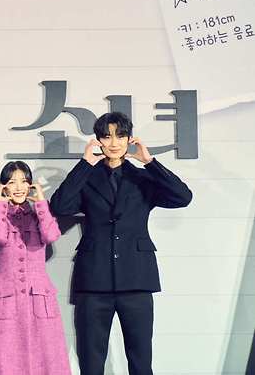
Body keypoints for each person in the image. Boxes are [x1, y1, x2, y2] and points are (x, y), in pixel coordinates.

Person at [49, 112, 193, 375]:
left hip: (137, 278)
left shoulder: (144, 177)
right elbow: (59, 206)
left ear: (129, 139)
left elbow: (182, 197)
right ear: (98, 141)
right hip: (94, 280)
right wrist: (84, 164)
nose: (114, 142)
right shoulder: (87, 177)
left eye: (120, 135)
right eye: (107, 136)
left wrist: (149, 162)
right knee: (91, 362)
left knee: (140, 360)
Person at [0, 161, 72, 375]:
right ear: (3, 187)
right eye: (12, 182)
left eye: (23, 181)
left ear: (31, 185)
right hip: (6, 302)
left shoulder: (40, 217)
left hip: (39, 300)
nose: (18, 187)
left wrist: (41, 204)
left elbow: (51, 236)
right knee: (4, 362)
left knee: (47, 360)